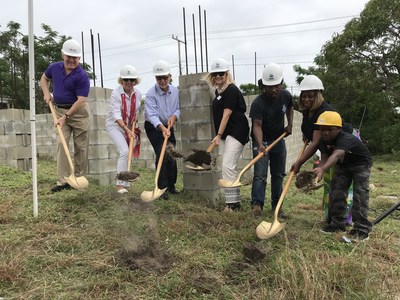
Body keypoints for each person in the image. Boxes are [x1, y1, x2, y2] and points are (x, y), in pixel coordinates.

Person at [290, 75, 355, 225]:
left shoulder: (323, 112)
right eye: (304, 96)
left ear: (318, 95)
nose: (306, 100)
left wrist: (299, 162)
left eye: (310, 96)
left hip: (345, 147)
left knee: (341, 182)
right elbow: (310, 137)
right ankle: (330, 217)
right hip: (328, 147)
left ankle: (344, 220)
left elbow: (315, 143)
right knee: (328, 179)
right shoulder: (307, 112)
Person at [40, 39, 90, 193]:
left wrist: (66, 117)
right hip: (59, 110)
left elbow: (81, 100)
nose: (72, 60)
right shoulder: (55, 68)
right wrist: (47, 93)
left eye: (75, 57)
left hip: (79, 113)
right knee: (62, 144)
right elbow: (44, 78)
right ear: (63, 55)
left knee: (80, 147)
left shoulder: (82, 76)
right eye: (69, 56)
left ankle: (78, 179)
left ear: (79, 58)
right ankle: (63, 181)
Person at [313, 111, 372, 240]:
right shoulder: (323, 140)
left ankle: (362, 229)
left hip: (360, 164)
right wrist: (320, 168)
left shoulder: (345, 138)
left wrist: (323, 169)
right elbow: (325, 156)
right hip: (344, 165)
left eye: (330, 129)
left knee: (360, 195)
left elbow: (335, 155)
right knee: (336, 191)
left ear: (339, 129)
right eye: (322, 129)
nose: (325, 132)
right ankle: (337, 224)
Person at [204, 58, 249, 212]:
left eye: (221, 74)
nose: (218, 77)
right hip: (225, 134)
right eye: (215, 74)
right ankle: (235, 202)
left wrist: (218, 134)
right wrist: (220, 135)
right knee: (229, 167)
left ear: (226, 74)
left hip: (236, 131)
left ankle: (232, 205)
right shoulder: (218, 92)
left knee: (227, 165)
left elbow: (227, 114)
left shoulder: (231, 90)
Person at [249, 63, 294, 217]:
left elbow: (290, 108)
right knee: (260, 174)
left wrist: (290, 124)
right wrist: (261, 145)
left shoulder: (286, 95)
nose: (274, 89)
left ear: (281, 84)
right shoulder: (258, 103)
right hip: (261, 140)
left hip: (278, 139)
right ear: (264, 86)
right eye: (270, 86)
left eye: (277, 86)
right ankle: (257, 205)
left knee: (278, 174)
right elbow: (256, 125)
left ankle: (277, 206)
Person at [144, 60, 180, 200]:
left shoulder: (175, 90)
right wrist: (162, 128)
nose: (163, 80)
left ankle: (171, 186)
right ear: (155, 78)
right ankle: (161, 188)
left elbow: (178, 108)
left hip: (169, 124)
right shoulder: (151, 94)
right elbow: (152, 115)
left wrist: (174, 116)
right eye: (159, 78)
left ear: (170, 76)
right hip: (154, 127)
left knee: (172, 153)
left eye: (165, 77)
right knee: (162, 153)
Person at [106, 65, 142, 194]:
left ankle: (125, 183)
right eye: (126, 80)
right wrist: (127, 130)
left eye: (132, 80)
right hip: (115, 126)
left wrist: (136, 117)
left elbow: (137, 110)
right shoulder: (116, 94)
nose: (129, 83)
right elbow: (116, 116)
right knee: (125, 151)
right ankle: (120, 185)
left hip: (128, 125)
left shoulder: (137, 93)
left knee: (128, 153)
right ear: (121, 81)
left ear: (135, 81)